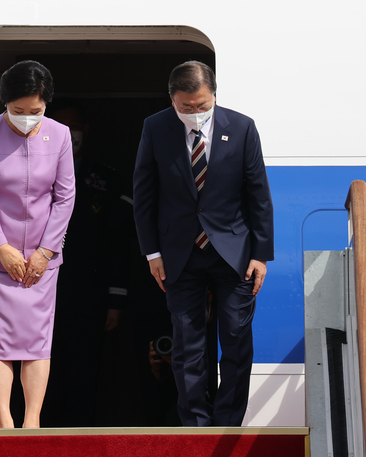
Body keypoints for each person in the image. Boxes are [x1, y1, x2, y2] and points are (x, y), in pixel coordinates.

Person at [132, 60, 274, 426]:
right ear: (172, 99)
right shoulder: (155, 127)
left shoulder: (241, 127)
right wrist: (152, 252)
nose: (195, 113)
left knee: (237, 339)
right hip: (179, 254)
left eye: (202, 105)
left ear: (214, 96)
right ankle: (195, 424)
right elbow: (144, 195)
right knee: (187, 344)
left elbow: (258, 193)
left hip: (234, 252)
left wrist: (261, 254)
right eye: (186, 107)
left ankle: (227, 423)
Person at [0, 60, 75, 428]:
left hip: (42, 260)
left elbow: (65, 197)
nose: (27, 118)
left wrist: (46, 251)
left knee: (37, 340)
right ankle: (4, 421)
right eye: (18, 110)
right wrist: (1, 247)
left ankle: (32, 421)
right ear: (5, 103)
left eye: (36, 111)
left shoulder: (60, 135)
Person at [41, 100, 132, 427]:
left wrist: (115, 299)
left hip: (89, 293)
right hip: (40, 291)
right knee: (42, 372)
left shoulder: (108, 181)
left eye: (75, 126)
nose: (69, 133)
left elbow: (120, 244)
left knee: (84, 373)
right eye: (61, 126)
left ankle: (80, 440)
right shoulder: (32, 175)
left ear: (86, 130)